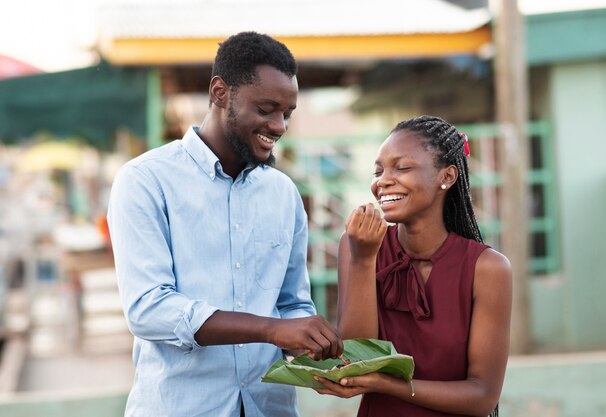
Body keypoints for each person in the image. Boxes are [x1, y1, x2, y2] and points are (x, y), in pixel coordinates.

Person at [107, 31, 342, 417]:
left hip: (271, 407)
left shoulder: (283, 194)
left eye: (287, 113)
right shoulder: (145, 181)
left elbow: (290, 302)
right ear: (220, 92)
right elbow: (149, 308)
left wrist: (309, 341)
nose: (280, 125)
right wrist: (270, 330)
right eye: (266, 108)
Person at [314, 115, 512, 417]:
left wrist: (388, 384)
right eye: (378, 170)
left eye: (402, 168)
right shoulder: (357, 244)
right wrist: (364, 259)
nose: (383, 181)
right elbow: (354, 355)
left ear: (446, 177)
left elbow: (481, 396)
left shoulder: (487, 269)